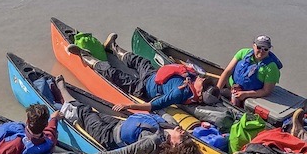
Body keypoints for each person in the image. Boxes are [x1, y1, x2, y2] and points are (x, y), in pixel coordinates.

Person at [66, 35, 211, 109]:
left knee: (114, 74)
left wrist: (128, 106)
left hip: (142, 89)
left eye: (204, 84)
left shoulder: (181, 93)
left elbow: (152, 106)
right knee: (140, 61)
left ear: (198, 93)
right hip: (152, 75)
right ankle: (113, 47)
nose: (202, 79)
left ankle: (85, 56)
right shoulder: (193, 78)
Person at [65, 100, 204, 154]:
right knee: (90, 111)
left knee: (84, 111)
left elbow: (124, 152)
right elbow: (162, 112)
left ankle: (65, 97)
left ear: (174, 145)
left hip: (106, 135)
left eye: (183, 138)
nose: (184, 133)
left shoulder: (152, 142)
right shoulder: (173, 126)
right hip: (117, 122)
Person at [216, 35, 282, 107]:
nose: (261, 51)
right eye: (259, 47)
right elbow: (227, 71)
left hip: (248, 96)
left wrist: (246, 94)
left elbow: (266, 91)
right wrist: (217, 90)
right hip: (231, 88)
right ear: (254, 46)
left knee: (234, 106)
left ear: (269, 49)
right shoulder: (243, 53)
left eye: (265, 49)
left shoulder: (272, 68)